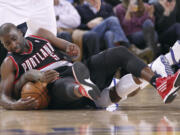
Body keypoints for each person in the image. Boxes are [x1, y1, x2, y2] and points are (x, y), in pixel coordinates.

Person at [0, 23, 180, 110]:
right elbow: (3, 96)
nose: (13, 46)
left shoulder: (40, 34)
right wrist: (15, 105)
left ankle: (160, 84)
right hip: (56, 91)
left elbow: (72, 50)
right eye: (7, 44)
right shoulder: (9, 63)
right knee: (58, 82)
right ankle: (83, 89)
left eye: (14, 39)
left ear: (21, 33)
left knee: (119, 53)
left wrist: (72, 48)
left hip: (74, 68)